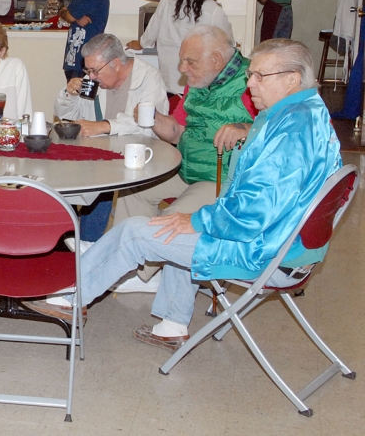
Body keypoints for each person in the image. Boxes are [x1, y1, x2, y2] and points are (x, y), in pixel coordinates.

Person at [25, 39, 342, 352]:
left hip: (265, 252)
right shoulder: (304, 113)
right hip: (290, 247)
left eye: (260, 76)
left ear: (292, 79)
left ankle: (70, 298)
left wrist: (201, 219)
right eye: (250, 75)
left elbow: (252, 213)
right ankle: (172, 325)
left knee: (137, 232)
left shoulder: (290, 130)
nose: (250, 84)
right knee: (175, 228)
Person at [112, 25, 257, 292]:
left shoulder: (253, 82)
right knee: (132, 189)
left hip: (222, 178)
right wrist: (154, 119)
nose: (182, 68)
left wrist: (247, 129)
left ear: (216, 59)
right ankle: (137, 268)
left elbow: (281, 130)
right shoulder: (199, 81)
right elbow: (178, 132)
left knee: (171, 218)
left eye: (189, 61)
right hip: (187, 169)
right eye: (182, 60)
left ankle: (134, 266)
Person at [55, 33, 169, 242]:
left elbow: (146, 124)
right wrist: (68, 94)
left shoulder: (149, 78)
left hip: (138, 155)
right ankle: (70, 239)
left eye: (94, 70)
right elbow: (69, 116)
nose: (91, 76)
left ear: (116, 64)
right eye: (87, 70)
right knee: (63, 174)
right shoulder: (94, 80)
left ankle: (93, 243)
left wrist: (105, 126)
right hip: (99, 153)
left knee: (101, 185)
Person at [127, 0, 233, 95]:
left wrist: (141, 43)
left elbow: (150, 33)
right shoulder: (212, 8)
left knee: (171, 111)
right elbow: (228, 42)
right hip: (197, 80)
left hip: (168, 79)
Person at [60, 0, 110, 81]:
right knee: (72, 99)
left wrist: (66, 13)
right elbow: (71, 16)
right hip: (74, 59)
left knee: (82, 99)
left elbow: (69, 16)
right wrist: (75, 17)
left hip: (86, 62)